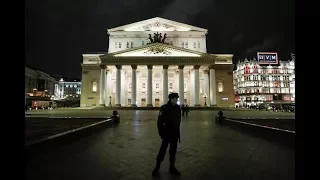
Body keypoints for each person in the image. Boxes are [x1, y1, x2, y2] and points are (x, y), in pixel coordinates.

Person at [152, 93, 181, 176]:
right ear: (171, 99)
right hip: (167, 132)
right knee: (163, 149)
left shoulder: (178, 107)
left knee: (173, 150)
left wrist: (178, 133)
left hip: (175, 133)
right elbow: (159, 122)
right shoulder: (164, 108)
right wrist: (161, 133)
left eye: (177, 98)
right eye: (175, 98)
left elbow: (178, 121)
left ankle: (172, 166)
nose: (177, 100)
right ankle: (157, 166)